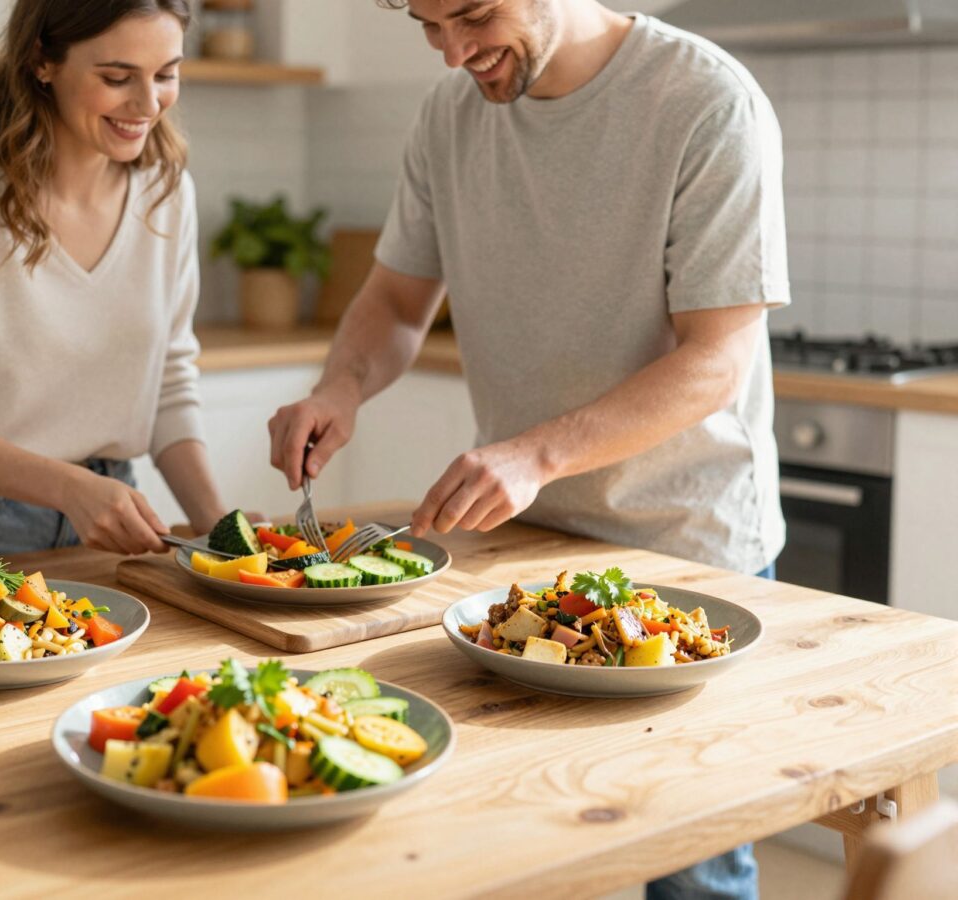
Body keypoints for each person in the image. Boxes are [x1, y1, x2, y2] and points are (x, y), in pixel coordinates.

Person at [267, 2, 788, 898]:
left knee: (692, 870)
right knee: (523, 838)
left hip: (684, 556)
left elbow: (715, 362)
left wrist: (535, 456)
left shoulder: (704, 100)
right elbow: (395, 304)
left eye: (472, 14)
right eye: (429, 26)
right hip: (524, 554)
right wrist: (337, 389)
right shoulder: (449, 115)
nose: (454, 52)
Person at [0, 0, 225, 570]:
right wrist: (68, 488)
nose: (147, 103)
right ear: (43, 60)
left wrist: (219, 527)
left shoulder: (167, 192)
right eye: (117, 77)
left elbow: (167, 383)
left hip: (108, 522)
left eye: (166, 75)